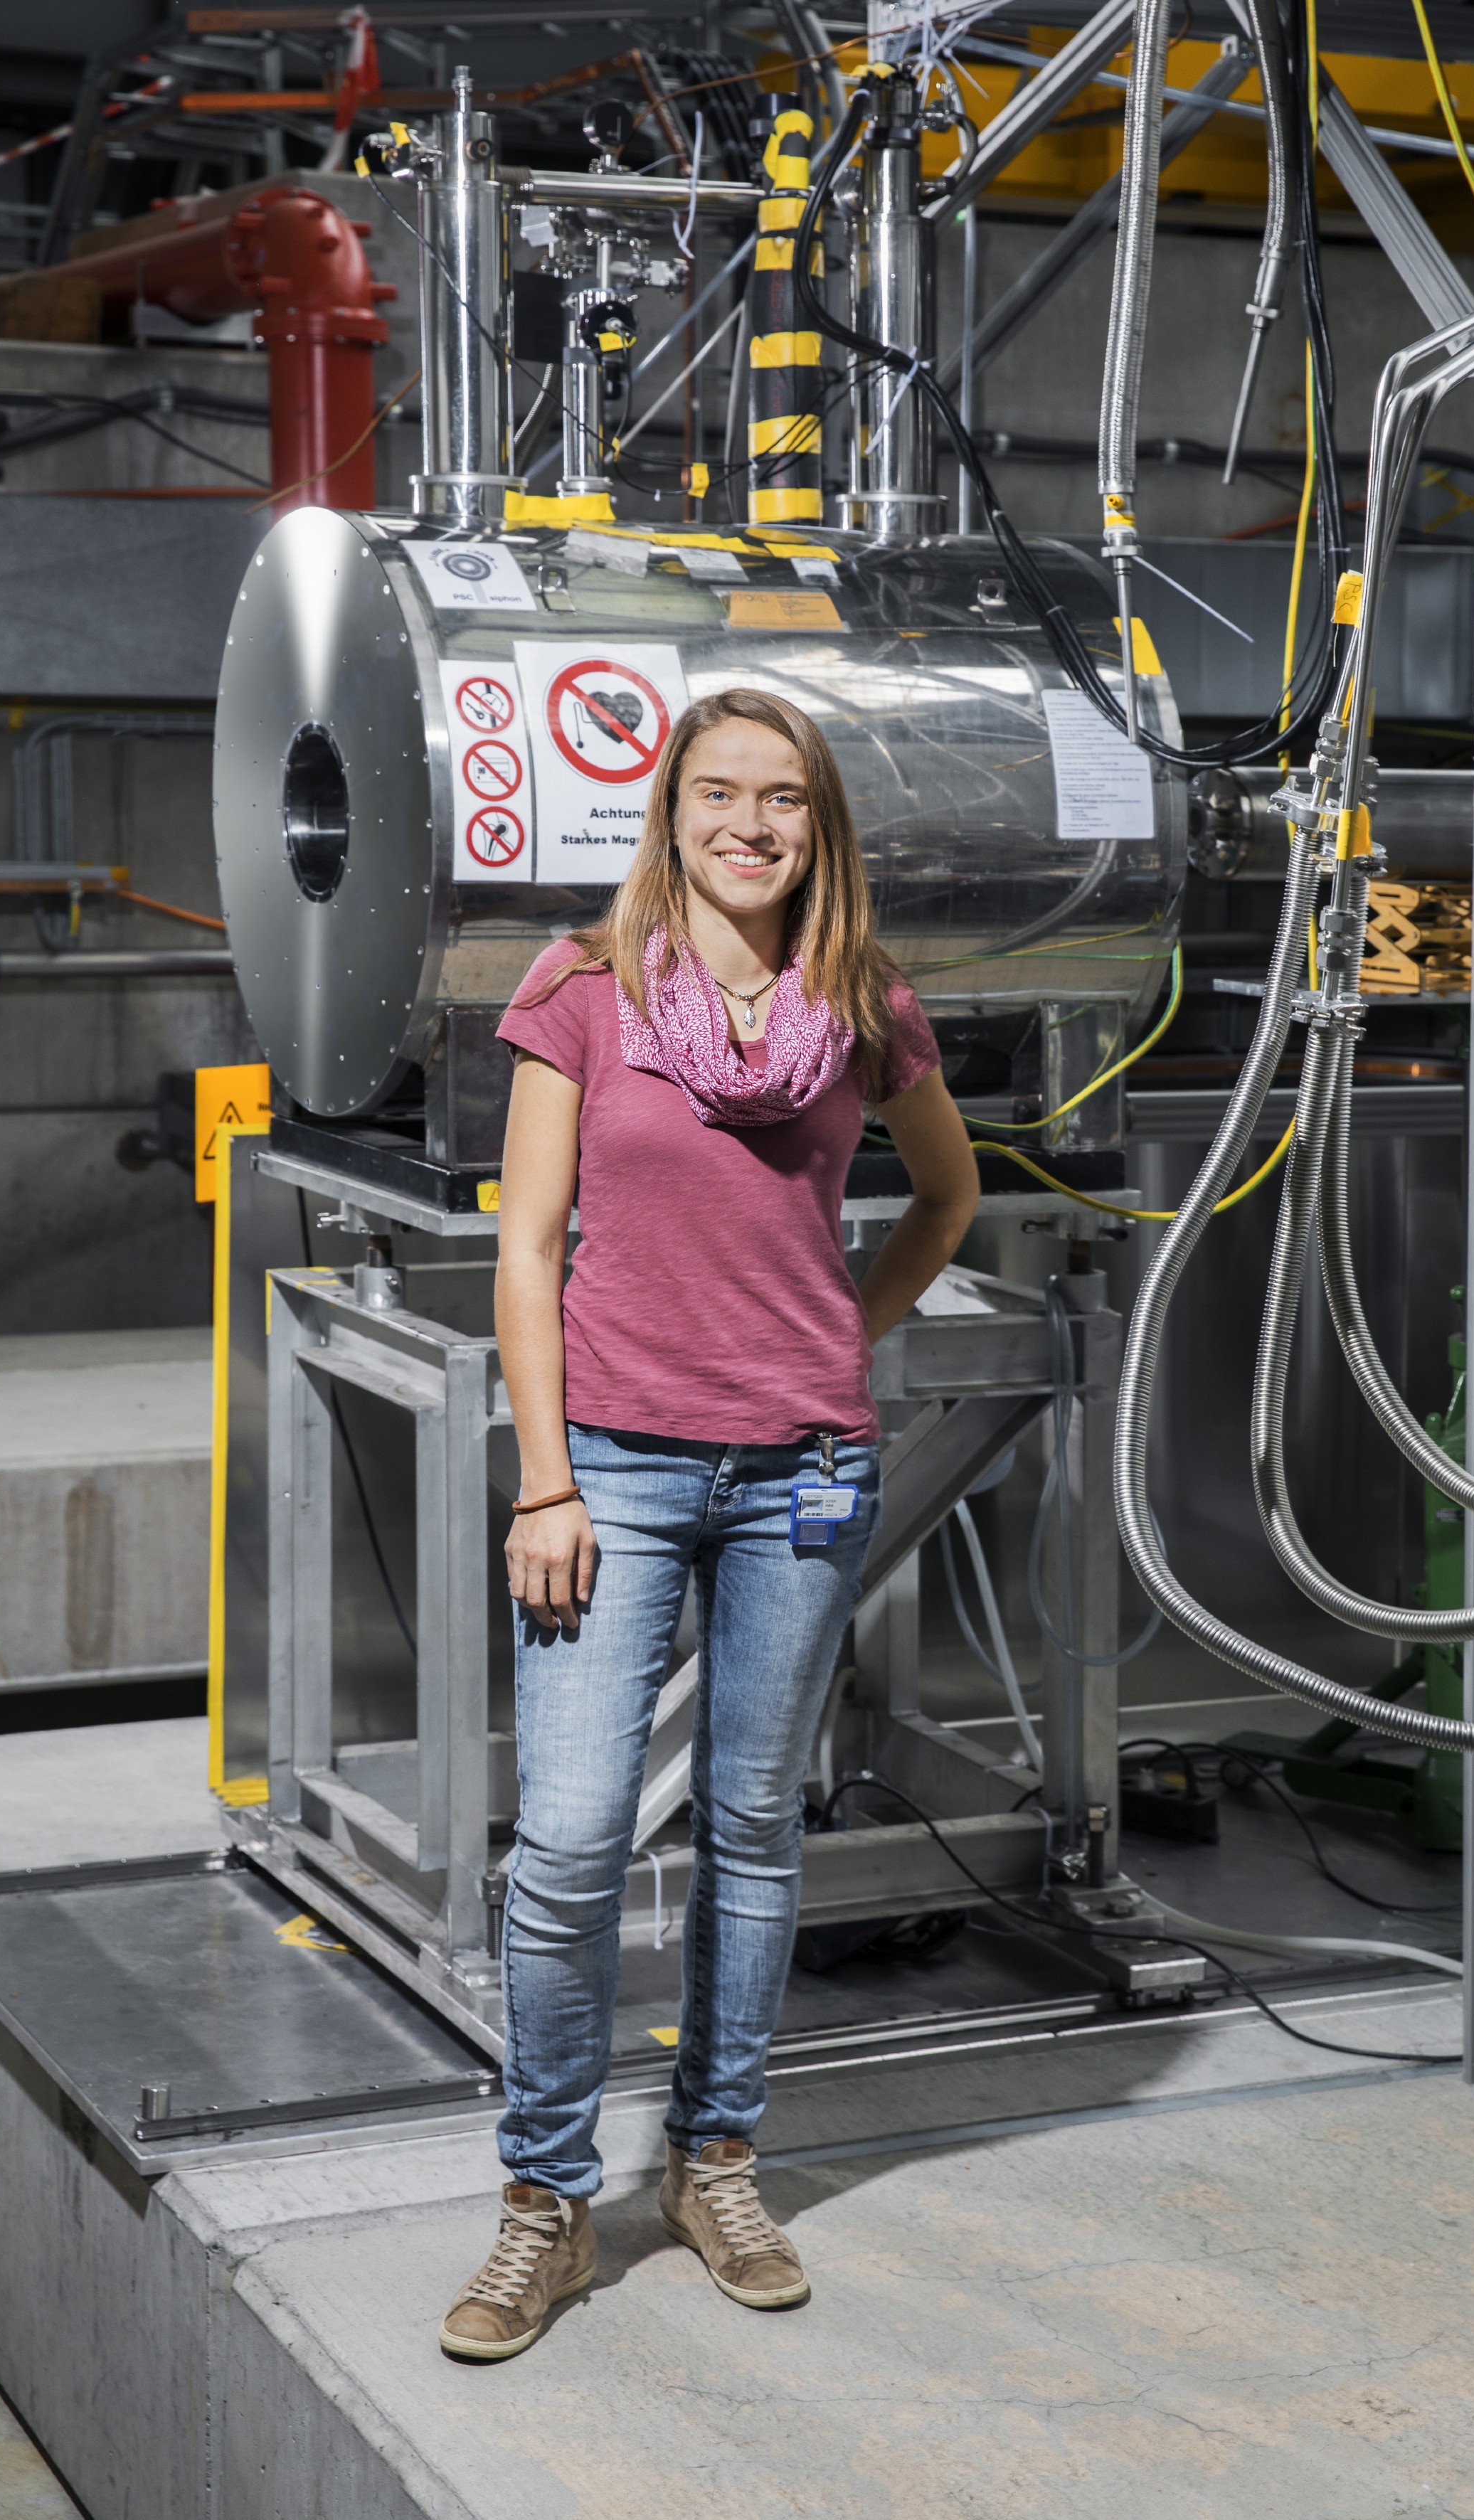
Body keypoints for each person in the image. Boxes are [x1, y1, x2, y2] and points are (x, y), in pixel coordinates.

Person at [440, 686, 979, 2363]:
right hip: (609, 1462)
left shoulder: (862, 1001)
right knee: (580, 1838)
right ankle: (544, 2198)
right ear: (669, 811)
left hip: (804, 1466)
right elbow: (527, 1252)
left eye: (786, 799)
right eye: (721, 792)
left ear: (822, 829)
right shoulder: (582, 991)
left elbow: (950, 1193)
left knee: (754, 1825)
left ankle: (714, 2157)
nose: (751, 822)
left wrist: (839, 1334)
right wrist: (544, 1477)